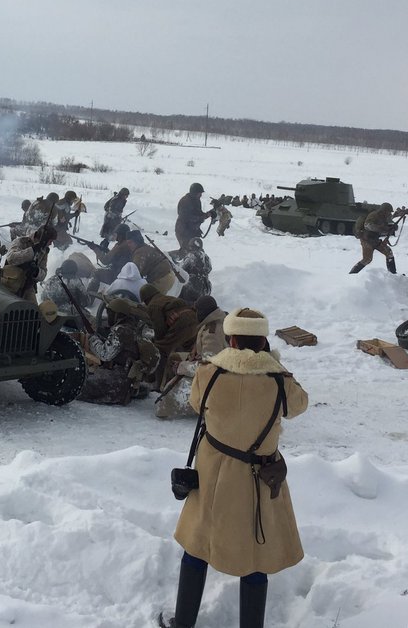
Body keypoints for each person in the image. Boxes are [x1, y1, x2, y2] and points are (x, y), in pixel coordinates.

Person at [160, 307, 309, 628]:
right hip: (257, 481)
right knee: (255, 556)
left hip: (212, 477)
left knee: (197, 547)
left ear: (231, 338)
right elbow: (300, 405)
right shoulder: (279, 382)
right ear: (264, 342)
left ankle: (183, 623)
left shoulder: (208, 373)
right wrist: (276, 366)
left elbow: (197, 404)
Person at [140, 284, 201, 388]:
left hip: (183, 323)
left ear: (145, 298)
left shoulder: (153, 305)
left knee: (160, 350)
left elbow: (160, 330)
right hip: (195, 319)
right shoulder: (166, 298)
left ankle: (159, 385)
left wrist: (155, 342)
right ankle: (185, 379)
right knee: (187, 352)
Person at [349, 202, 397, 274]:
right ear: (384, 210)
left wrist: (391, 228)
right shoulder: (374, 215)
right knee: (367, 259)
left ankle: (392, 273)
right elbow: (367, 226)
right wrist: (382, 228)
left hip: (375, 240)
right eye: (388, 212)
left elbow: (383, 230)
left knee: (389, 253)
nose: (389, 213)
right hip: (367, 240)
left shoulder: (383, 218)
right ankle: (352, 274)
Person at [175, 183, 211, 254]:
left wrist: (208, 214)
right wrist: (201, 217)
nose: (201, 195)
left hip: (193, 231)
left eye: (201, 193)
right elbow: (186, 217)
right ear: (194, 193)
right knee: (188, 253)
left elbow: (199, 214)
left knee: (198, 253)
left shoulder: (197, 200)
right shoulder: (185, 201)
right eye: (199, 193)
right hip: (183, 231)